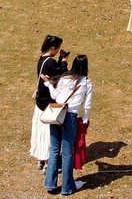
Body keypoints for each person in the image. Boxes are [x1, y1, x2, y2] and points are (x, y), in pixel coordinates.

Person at [43, 54, 92, 196]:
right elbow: (87, 104)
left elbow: (55, 95)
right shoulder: (86, 82)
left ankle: (50, 183)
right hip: (70, 116)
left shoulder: (64, 78)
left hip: (56, 114)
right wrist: (85, 118)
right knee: (67, 152)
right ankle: (67, 186)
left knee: (54, 150)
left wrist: (48, 84)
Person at [31, 35, 68, 169]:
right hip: (48, 104)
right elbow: (62, 74)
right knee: (49, 134)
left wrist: (59, 60)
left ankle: (40, 159)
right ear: (53, 48)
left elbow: (54, 72)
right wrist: (63, 61)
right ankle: (48, 162)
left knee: (39, 131)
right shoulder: (51, 62)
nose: (58, 50)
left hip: (40, 102)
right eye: (58, 48)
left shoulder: (42, 60)